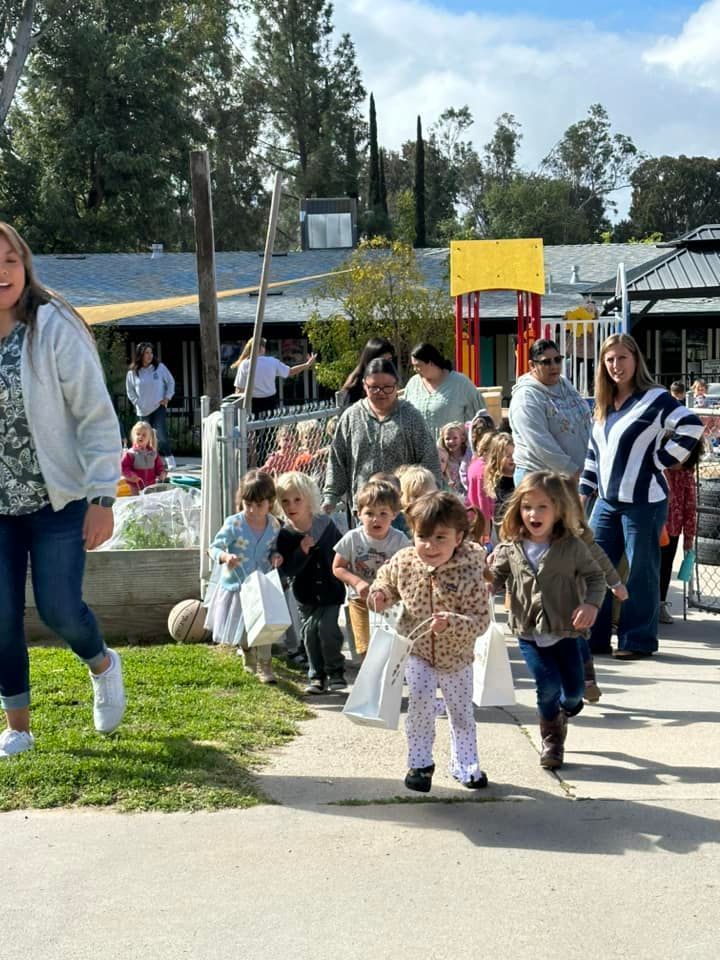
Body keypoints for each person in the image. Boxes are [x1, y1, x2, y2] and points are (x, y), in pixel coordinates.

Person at [0, 222, 125, 759]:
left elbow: (95, 413)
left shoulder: (51, 325)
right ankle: (19, 727)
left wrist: (102, 496)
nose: (2, 272)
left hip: (59, 501)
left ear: (24, 265)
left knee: (58, 609)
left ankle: (101, 662)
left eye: (10, 260)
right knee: (0, 617)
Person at [579, 333, 703, 659]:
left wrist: (660, 459)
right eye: (610, 360)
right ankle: (596, 637)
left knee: (640, 571)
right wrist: (582, 495)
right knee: (595, 567)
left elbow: (691, 425)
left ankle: (638, 640)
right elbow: (595, 454)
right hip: (605, 501)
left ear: (636, 360)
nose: (616, 365)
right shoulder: (603, 404)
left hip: (644, 501)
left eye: (622, 358)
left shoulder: (655, 398)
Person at [369, 492, 492, 792]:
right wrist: (381, 594)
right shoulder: (406, 561)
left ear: (459, 537)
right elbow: (386, 578)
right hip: (418, 651)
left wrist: (452, 623)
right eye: (422, 536)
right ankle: (420, 764)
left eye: (440, 537)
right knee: (420, 706)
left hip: (457, 657)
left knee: (461, 713)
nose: (430, 546)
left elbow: (481, 619)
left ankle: (465, 765)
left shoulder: (469, 569)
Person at [490, 472, 606, 769]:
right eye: (528, 507)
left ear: (558, 511)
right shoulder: (511, 548)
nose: (534, 514)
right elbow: (493, 579)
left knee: (574, 692)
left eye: (543, 507)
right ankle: (552, 741)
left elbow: (595, 577)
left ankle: (563, 713)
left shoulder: (572, 546)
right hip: (529, 633)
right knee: (547, 685)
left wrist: (592, 604)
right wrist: (481, 576)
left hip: (567, 631)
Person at [322, 358, 442, 513]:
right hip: (364, 510)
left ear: (397, 386)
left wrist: (431, 497)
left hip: (403, 509)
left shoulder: (411, 417)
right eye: (374, 388)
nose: (381, 393)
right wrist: (330, 497)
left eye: (387, 387)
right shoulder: (351, 417)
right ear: (365, 385)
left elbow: (429, 459)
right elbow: (337, 459)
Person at [204, 470, 282, 684]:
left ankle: (266, 665)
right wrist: (224, 556)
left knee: (265, 626)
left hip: (262, 584)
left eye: (259, 505)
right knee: (245, 627)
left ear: (270, 502)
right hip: (239, 585)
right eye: (248, 504)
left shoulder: (274, 525)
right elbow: (213, 547)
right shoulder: (235, 523)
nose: (253, 510)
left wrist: (277, 556)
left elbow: (275, 547)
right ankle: (247, 652)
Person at [275, 473, 347, 695]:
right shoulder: (285, 534)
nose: (291, 506)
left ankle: (335, 671)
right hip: (305, 594)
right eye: (285, 501)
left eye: (297, 500)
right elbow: (288, 569)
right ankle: (316, 676)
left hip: (330, 590)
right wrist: (301, 551)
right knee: (309, 634)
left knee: (327, 630)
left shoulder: (325, 524)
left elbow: (341, 551)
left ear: (309, 500)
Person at [560, 476, 629, 703]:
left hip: (576, 604)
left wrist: (616, 583)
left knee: (577, 642)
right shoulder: (533, 538)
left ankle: (587, 681)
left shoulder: (581, 537)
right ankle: (563, 687)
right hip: (544, 606)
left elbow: (601, 560)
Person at [333, 480, 410, 661]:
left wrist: (397, 567)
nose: (376, 519)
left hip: (389, 601)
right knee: (364, 645)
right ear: (359, 513)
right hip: (360, 600)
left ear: (394, 514)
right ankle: (369, 676)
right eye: (369, 513)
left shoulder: (399, 540)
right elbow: (337, 567)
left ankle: (386, 675)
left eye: (383, 513)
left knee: (388, 644)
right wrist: (356, 582)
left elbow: (409, 567)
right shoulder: (352, 538)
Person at [509, 339, 591, 484]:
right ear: (532, 365)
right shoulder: (525, 398)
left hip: (575, 478)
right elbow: (540, 444)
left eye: (557, 360)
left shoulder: (564, 383)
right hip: (540, 480)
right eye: (546, 362)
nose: (554, 366)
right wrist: (574, 473)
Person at [403, 343, 486, 440]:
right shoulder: (413, 383)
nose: (415, 370)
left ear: (431, 363)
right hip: (419, 451)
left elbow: (480, 418)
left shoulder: (461, 383)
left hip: (453, 452)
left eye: (418, 366)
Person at [660, 439, 703, 624]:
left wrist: (688, 537)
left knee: (665, 568)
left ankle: (660, 604)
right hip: (652, 527)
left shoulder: (687, 475)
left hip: (672, 531)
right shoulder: (659, 471)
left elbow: (690, 508)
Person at [125, 342, 176, 469]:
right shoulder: (132, 373)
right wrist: (137, 402)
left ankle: (170, 460)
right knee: (144, 437)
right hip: (142, 410)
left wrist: (167, 397)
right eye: (147, 353)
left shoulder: (159, 368)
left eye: (151, 353)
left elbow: (171, 382)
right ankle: (147, 462)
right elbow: (130, 391)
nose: (150, 355)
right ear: (140, 355)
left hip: (158, 407)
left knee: (161, 435)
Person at [232, 337, 316, 413]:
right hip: (270, 401)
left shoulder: (244, 364)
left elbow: (239, 390)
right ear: (261, 348)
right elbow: (290, 372)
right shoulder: (272, 362)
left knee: (254, 427)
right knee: (270, 425)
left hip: (252, 402)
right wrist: (307, 364)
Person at [341, 337, 397, 406]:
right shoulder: (355, 386)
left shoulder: (391, 380)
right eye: (381, 361)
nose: (386, 366)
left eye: (389, 360)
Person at [120, 421, 167, 494]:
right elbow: (123, 467)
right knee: (136, 503)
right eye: (138, 434)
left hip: (151, 486)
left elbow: (159, 466)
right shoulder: (130, 453)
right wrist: (130, 475)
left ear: (149, 438)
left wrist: (162, 473)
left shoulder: (153, 453)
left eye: (144, 435)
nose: (140, 437)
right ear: (133, 436)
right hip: (134, 486)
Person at [437, 421, 472, 495]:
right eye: (447, 439)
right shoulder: (445, 458)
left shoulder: (467, 456)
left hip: (470, 493)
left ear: (462, 439)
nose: (451, 441)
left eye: (455, 438)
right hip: (453, 495)